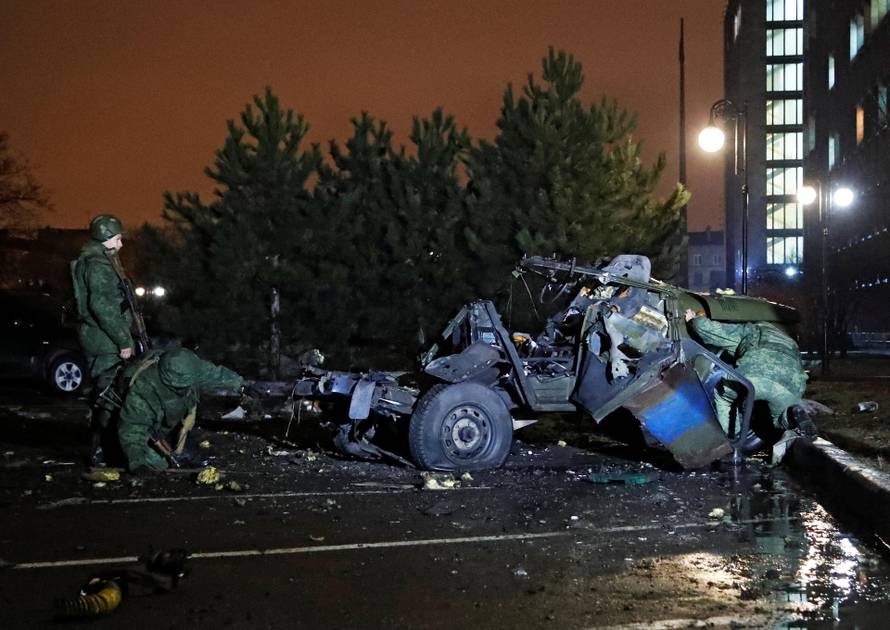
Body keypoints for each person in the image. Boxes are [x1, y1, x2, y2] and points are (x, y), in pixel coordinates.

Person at [685, 310, 815, 437]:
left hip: (754, 379)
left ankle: (732, 438)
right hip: (790, 385)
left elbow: (708, 330)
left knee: (723, 396)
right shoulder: (791, 343)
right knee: (779, 419)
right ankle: (792, 416)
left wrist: (694, 319)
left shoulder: (752, 330)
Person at [70, 214, 136, 462]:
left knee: (106, 392)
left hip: (100, 338)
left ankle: (104, 447)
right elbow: (103, 307)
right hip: (105, 341)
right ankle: (102, 450)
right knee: (108, 393)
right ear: (106, 238)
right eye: (118, 239)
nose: (121, 244)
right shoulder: (98, 266)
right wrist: (124, 341)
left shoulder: (96, 260)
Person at [115, 347, 245, 472]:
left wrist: (241, 385)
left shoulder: (190, 366)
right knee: (158, 464)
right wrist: (138, 462)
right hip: (140, 425)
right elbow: (132, 428)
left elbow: (214, 374)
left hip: (167, 417)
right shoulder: (145, 390)